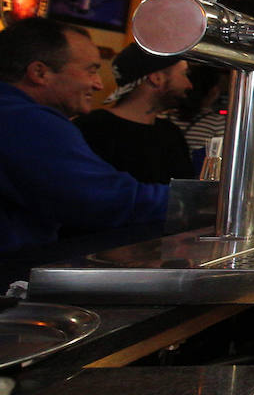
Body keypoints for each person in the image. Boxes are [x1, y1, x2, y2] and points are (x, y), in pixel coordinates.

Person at [0, 18, 168, 254]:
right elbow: (105, 200)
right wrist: (204, 200)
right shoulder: (24, 120)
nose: (99, 85)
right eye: (91, 71)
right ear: (40, 72)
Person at [75, 43, 195, 184]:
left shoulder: (171, 133)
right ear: (157, 78)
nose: (189, 85)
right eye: (184, 74)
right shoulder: (90, 129)